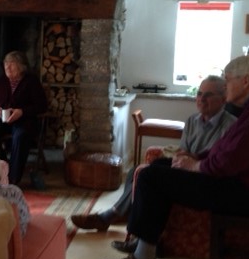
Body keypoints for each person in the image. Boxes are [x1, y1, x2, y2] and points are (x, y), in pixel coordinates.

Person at [100, 55, 249, 259]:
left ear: (245, 81)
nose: (225, 85)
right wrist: (196, 157)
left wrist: (197, 165)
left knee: (152, 178)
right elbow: (227, 148)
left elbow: (234, 158)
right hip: (239, 183)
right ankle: (144, 244)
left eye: (227, 80)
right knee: (160, 165)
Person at [71, 75, 237, 236]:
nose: (201, 99)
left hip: (203, 176)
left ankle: (109, 217)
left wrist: (191, 157)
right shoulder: (192, 121)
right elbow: (183, 152)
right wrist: (187, 156)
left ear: (223, 99)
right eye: (199, 94)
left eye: (208, 95)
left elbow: (215, 160)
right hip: (184, 167)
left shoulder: (231, 126)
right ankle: (123, 212)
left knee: (146, 174)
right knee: (134, 171)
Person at [0, 51, 48, 186]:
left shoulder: (31, 81)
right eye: (6, 63)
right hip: (3, 119)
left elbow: (42, 105)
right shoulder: (2, 80)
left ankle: (13, 179)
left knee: (20, 136)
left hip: (24, 120)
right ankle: (3, 165)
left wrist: (22, 112)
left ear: (21, 67)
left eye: (11, 64)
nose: (7, 67)